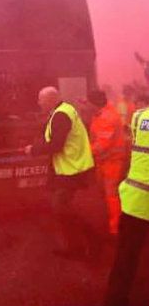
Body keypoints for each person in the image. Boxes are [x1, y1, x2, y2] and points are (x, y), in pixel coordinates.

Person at [25, 86, 97, 258]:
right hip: (69, 168)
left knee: (61, 208)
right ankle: (78, 245)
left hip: (71, 170)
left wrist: (33, 150)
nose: (38, 102)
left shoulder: (61, 115)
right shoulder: (63, 110)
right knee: (62, 207)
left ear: (50, 99)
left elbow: (57, 144)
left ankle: (85, 243)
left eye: (40, 99)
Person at [104, 93, 149, 306]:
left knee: (125, 259)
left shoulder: (139, 117)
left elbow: (132, 151)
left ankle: (114, 300)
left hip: (136, 200)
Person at [88, 90, 127, 235]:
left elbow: (101, 144)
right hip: (104, 162)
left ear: (95, 104)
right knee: (106, 194)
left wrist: (83, 152)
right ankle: (112, 223)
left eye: (89, 103)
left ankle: (115, 228)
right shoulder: (100, 114)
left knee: (112, 195)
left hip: (112, 162)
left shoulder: (107, 117)